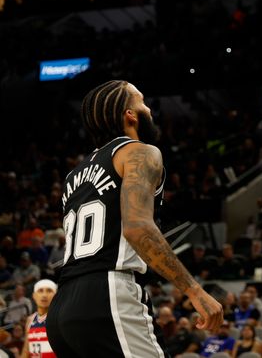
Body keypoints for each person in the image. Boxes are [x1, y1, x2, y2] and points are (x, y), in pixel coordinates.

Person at [46, 80, 223, 357]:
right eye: (142, 102)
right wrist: (194, 290)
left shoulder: (74, 175)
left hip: (62, 307)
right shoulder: (139, 152)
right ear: (130, 114)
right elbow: (137, 228)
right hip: (109, 294)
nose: (148, 109)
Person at [21, 279, 57, 358]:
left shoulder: (59, 317)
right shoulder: (30, 319)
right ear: (34, 295)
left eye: (49, 291)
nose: (44, 295)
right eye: (40, 291)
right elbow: (26, 350)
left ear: (56, 295)